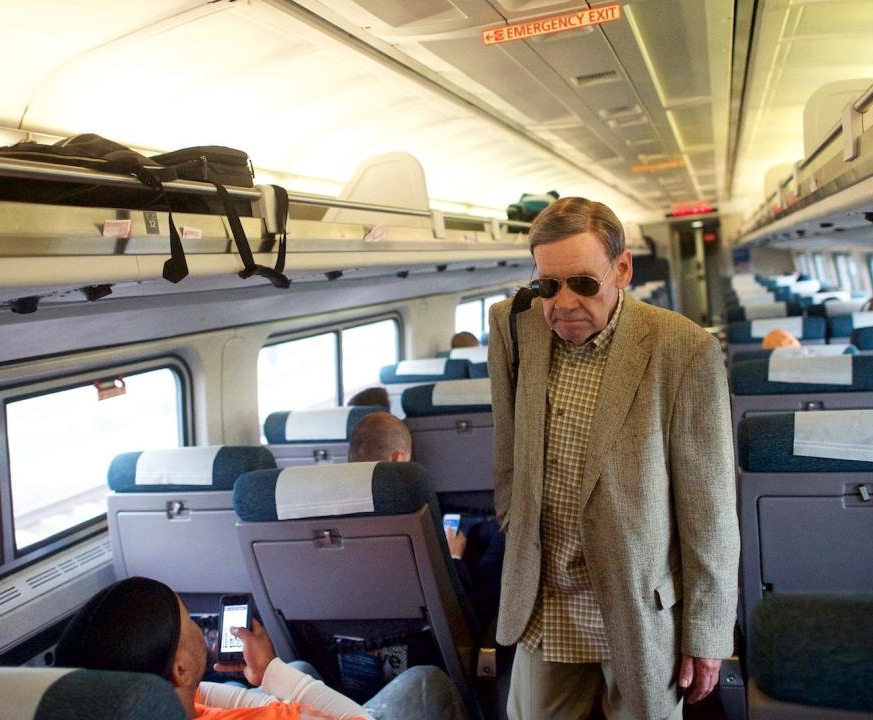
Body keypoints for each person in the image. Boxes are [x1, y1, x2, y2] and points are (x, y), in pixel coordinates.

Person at [487, 197, 738, 720]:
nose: (562, 303)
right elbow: (508, 451)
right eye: (547, 285)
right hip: (545, 596)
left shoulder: (683, 349)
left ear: (622, 269)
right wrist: (517, 524)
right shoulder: (514, 325)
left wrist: (709, 630)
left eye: (582, 283)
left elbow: (709, 510)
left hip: (638, 601)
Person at [55, 577, 467, 720]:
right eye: (189, 622)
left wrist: (266, 675)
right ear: (178, 671)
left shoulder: (147, 704)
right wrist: (272, 670)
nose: (202, 630)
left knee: (301, 665)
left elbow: (199, 695)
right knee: (424, 682)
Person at [348, 412, 505, 628]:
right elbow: (450, 602)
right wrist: (454, 558)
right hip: (427, 636)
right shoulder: (407, 507)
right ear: (398, 458)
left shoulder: (330, 507)